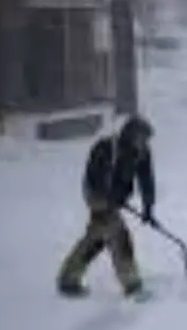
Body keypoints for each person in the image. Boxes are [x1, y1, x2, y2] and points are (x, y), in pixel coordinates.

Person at [57, 115, 158, 299]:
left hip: (115, 198)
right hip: (97, 194)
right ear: (131, 134)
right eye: (141, 138)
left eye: (146, 140)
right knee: (118, 235)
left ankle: (68, 278)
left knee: (97, 239)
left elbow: (146, 180)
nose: (144, 143)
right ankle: (132, 284)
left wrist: (148, 208)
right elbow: (95, 176)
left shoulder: (142, 153)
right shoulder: (107, 148)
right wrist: (110, 197)